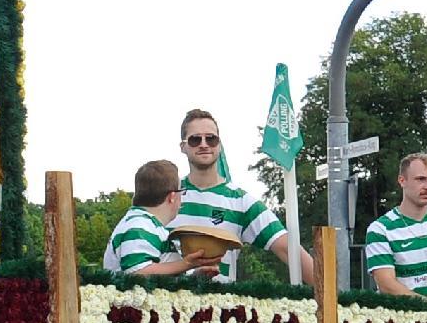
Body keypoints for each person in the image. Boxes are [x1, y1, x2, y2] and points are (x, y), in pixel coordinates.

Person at [173, 107, 310, 282]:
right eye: (194, 139)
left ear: (220, 145)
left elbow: (289, 249)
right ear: (183, 147)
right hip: (164, 306)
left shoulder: (241, 201)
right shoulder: (166, 196)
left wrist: (336, 300)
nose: (204, 144)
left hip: (221, 306)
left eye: (211, 139)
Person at [362, 150, 427, 300]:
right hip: (401, 318)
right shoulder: (381, 229)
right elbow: (386, 283)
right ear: (402, 181)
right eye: (420, 179)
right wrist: (424, 301)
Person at [106, 160, 190, 278]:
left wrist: (195, 274)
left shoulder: (146, 224)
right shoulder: (139, 226)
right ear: (172, 197)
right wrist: (186, 264)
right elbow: (137, 271)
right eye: (181, 191)